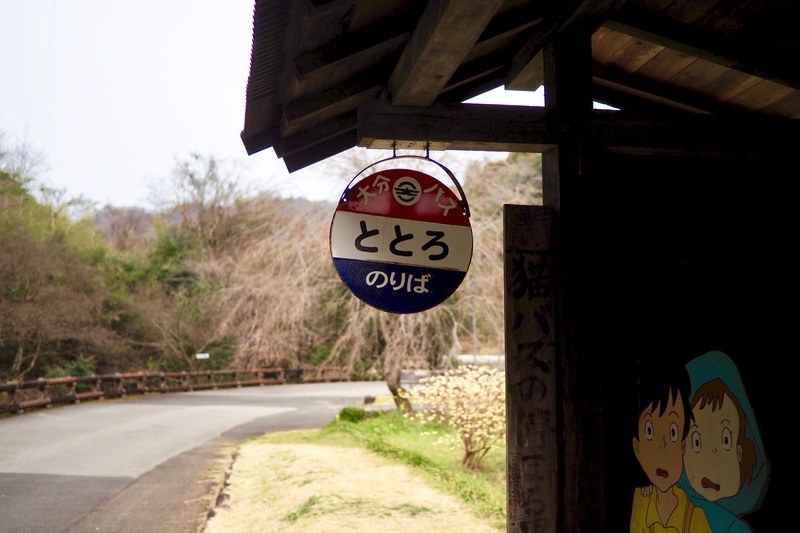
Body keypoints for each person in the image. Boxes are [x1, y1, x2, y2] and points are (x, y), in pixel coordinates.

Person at [677, 351, 769, 532]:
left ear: (740, 452)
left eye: (725, 441)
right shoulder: (683, 513)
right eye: (696, 441)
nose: (710, 460)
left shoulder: (734, 528)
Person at [631, 357, 712, 532]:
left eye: (673, 432)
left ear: (683, 447)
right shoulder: (640, 504)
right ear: (637, 448)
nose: (662, 446)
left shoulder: (696, 518)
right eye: (650, 431)